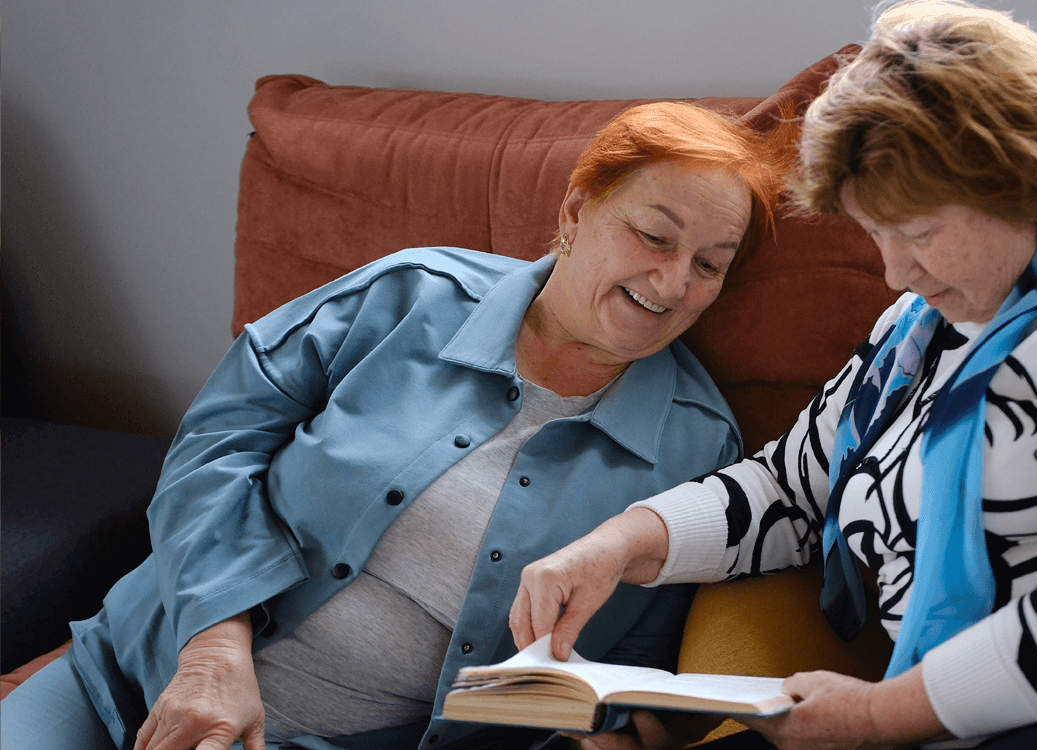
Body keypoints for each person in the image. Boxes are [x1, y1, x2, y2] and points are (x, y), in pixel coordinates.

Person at [509, 2, 1037, 749]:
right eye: (877, 234)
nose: (896, 273)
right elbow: (794, 489)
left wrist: (885, 714)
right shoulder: (921, 331)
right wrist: (618, 546)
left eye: (918, 231)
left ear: (1021, 179)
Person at [0, 101, 795, 750]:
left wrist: (588, 731)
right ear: (578, 211)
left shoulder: (696, 449)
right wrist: (212, 649)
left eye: (710, 263)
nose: (672, 281)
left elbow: (621, 669)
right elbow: (217, 444)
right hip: (145, 661)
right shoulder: (411, 295)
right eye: (654, 236)